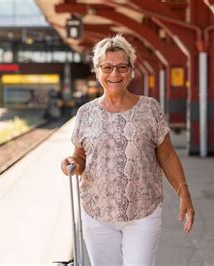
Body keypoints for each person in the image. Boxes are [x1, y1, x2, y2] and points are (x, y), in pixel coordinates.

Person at [60, 35, 195, 266]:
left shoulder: (150, 108)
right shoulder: (86, 113)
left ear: (131, 71)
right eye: (107, 67)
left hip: (143, 211)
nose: (115, 74)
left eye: (122, 67)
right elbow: (81, 155)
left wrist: (184, 193)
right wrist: (72, 162)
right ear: (97, 70)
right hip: (96, 211)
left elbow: (167, 155)